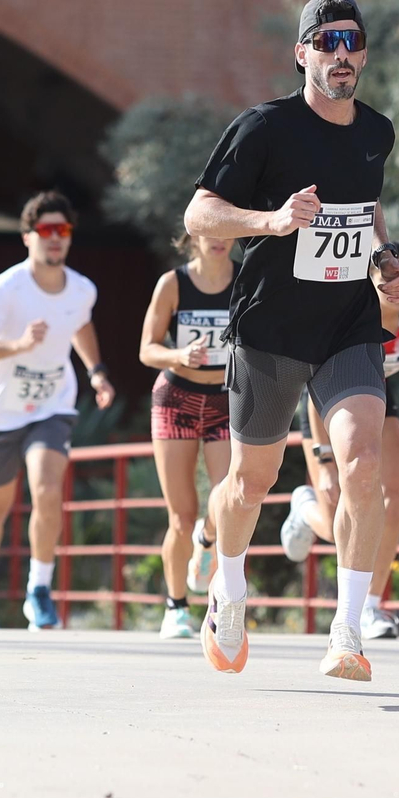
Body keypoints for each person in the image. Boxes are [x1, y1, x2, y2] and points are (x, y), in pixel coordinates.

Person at [183, 0, 399, 680]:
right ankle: (227, 590)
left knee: (364, 467)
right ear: (302, 53)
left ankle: (348, 631)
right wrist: (274, 222)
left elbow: (367, 216)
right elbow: (200, 214)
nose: (341, 54)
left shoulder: (376, 131)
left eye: (352, 41)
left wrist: (389, 262)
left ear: (364, 53)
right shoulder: (264, 129)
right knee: (250, 483)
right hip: (272, 325)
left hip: (347, 325)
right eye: (326, 42)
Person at [0, 191, 115, 631]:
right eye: (45, 230)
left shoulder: (82, 289)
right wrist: (19, 345)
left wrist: (96, 371)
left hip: (52, 406)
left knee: (47, 489)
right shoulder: (5, 289)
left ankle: (39, 590)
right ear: (28, 237)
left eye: (62, 230)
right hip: (0, 412)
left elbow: (79, 323)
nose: (54, 239)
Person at [282, 247, 399, 639]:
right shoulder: (351, 312)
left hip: (380, 399)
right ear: (371, 279)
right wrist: (325, 458)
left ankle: (371, 605)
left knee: (390, 504)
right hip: (327, 401)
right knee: (339, 514)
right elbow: (318, 377)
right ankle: (304, 507)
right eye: (387, 277)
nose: (395, 285)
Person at [137, 233, 235, 639]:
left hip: (227, 399)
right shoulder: (173, 284)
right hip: (176, 397)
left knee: (229, 495)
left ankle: (208, 539)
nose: (220, 240)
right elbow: (147, 349)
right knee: (180, 515)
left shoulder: (245, 279)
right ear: (195, 234)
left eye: (228, 230)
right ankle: (176, 607)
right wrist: (178, 355)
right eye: (211, 230)